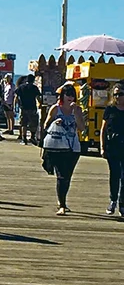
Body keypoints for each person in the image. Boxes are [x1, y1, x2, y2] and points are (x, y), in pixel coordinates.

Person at [41, 83, 85, 215]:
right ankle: (62, 205)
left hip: (73, 147)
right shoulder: (56, 108)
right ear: (62, 96)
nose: (70, 97)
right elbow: (45, 125)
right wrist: (55, 122)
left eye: (72, 95)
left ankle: (62, 200)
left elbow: (82, 128)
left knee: (67, 176)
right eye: (67, 95)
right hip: (57, 146)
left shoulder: (78, 109)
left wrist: (76, 114)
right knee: (61, 175)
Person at [100, 84, 124, 218]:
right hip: (113, 146)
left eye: (120, 94)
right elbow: (103, 129)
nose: (118, 97)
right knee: (115, 174)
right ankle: (113, 200)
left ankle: (122, 204)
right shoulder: (110, 109)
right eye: (115, 94)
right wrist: (102, 146)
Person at [16, 75, 42, 145]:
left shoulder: (21, 87)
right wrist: (41, 103)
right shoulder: (34, 88)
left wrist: (17, 105)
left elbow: (16, 97)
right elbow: (38, 97)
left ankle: (24, 139)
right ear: (33, 80)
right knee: (33, 123)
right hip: (32, 107)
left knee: (23, 124)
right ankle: (32, 136)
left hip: (23, 107)